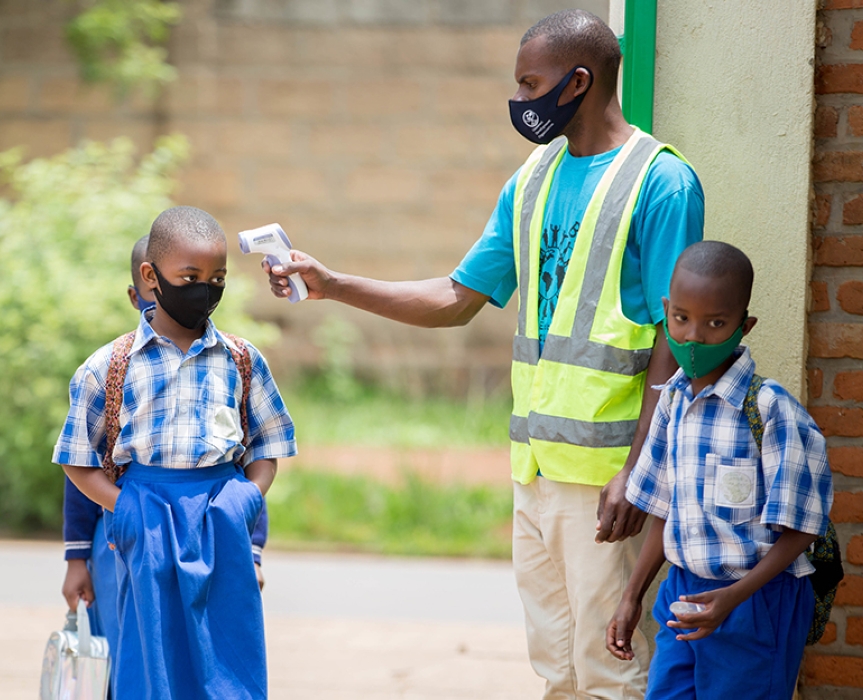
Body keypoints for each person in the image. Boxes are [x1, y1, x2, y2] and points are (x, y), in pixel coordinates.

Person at [264, 9, 703, 698]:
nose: (520, 100)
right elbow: (455, 297)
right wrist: (333, 285)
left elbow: (674, 339)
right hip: (532, 467)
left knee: (611, 669)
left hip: (606, 478)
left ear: (578, 80)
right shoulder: (531, 178)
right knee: (556, 667)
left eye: (530, 83)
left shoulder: (660, 182)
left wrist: (638, 469)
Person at [55, 206, 297, 700]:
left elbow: (267, 445)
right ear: (151, 277)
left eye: (217, 278)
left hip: (220, 517)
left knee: (228, 654)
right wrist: (124, 509)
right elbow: (77, 459)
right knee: (152, 659)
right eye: (190, 277)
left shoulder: (242, 360)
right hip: (145, 518)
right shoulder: (108, 367)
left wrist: (244, 502)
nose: (204, 290)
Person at [606, 241, 833, 698]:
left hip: (757, 600)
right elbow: (663, 511)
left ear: (743, 326)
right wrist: (631, 596)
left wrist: (734, 597)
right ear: (666, 312)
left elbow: (803, 530)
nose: (693, 337)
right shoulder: (671, 401)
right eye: (682, 318)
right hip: (683, 594)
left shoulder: (771, 412)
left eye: (715, 324)